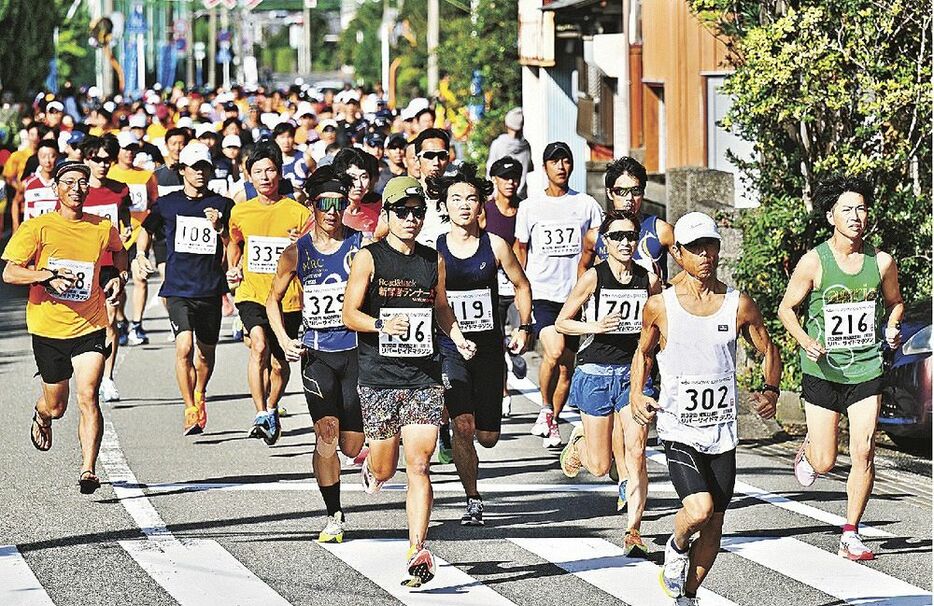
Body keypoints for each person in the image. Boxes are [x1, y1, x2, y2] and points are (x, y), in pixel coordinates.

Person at [629, 211, 781, 604]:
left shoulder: (737, 304)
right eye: (695, 248)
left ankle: (688, 595)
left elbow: (769, 349)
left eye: (710, 245)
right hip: (679, 428)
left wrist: (770, 389)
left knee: (715, 524)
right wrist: (636, 394)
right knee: (698, 510)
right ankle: (676, 544)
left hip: (722, 431)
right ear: (678, 253)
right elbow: (643, 354)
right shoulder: (660, 306)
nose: (705, 254)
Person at [342, 176, 476, 587]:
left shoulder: (431, 259)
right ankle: (374, 470)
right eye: (403, 212)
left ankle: (417, 547)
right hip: (379, 377)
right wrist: (384, 323)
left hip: (423, 377)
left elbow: (441, 308)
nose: (411, 219)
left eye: (418, 212)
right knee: (385, 467)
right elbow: (350, 315)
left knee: (419, 463)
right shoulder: (369, 258)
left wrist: (458, 338)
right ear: (388, 213)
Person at [777, 175, 903, 561]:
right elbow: (786, 310)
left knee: (864, 450)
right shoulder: (814, 261)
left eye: (861, 208)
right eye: (847, 209)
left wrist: (892, 325)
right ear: (831, 215)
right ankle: (809, 452)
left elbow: (896, 302)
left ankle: (850, 533)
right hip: (824, 372)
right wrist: (806, 340)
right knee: (826, 461)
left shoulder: (881, 262)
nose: (856, 216)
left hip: (866, 370)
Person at [1, 161, 128, 494]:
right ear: (56, 188)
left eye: (83, 182)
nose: (77, 187)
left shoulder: (102, 226)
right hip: (48, 328)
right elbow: (10, 273)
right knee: (57, 406)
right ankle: (41, 413)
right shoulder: (38, 228)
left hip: (90, 323)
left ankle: (88, 469)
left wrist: (118, 276)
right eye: (69, 181)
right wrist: (45, 275)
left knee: (89, 396)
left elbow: (119, 252)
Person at [429, 165, 532, 526]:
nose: (463, 205)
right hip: (449, 346)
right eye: (455, 198)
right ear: (444, 205)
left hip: (488, 348)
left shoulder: (495, 245)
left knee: (487, 436)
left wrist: (524, 327)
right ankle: (472, 497)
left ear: (480, 204)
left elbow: (521, 284)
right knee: (465, 425)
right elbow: (435, 300)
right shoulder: (435, 249)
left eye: (470, 198)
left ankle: (465, 436)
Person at [267, 167, 366, 544]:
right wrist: (284, 338)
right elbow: (272, 300)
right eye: (324, 204)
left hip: (357, 353)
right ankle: (334, 514)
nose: (331, 211)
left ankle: (362, 458)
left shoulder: (361, 245)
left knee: (351, 445)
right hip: (318, 353)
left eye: (338, 204)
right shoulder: (296, 252)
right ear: (313, 206)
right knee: (327, 434)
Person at [556, 210, 662, 556]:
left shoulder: (647, 279)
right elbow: (562, 323)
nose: (625, 242)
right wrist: (595, 327)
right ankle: (581, 443)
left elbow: (659, 325)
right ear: (605, 242)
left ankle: (633, 530)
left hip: (633, 375)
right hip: (595, 372)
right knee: (601, 466)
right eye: (617, 237)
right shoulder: (593, 277)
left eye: (630, 236)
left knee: (637, 453)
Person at [136, 143, 233, 435]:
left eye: (205, 167)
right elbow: (146, 228)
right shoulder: (168, 203)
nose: (200, 173)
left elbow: (234, 245)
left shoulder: (223, 204)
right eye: (195, 168)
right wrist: (141, 255)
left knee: (205, 354)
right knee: (184, 347)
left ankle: (200, 393)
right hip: (178, 288)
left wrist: (219, 228)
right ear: (183, 171)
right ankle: (190, 407)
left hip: (210, 288)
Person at [515, 141, 603, 448]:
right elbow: (521, 250)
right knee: (552, 351)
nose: (561, 166)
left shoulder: (587, 205)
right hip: (543, 294)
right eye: (555, 162)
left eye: (565, 160)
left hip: (575, 296)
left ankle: (552, 418)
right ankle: (544, 407)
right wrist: (520, 293)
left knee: (568, 366)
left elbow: (598, 247)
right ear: (545, 168)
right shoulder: (530, 207)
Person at [227, 142, 311, 444]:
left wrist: (299, 242)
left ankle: (272, 406)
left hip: (288, 298)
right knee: (258, 346)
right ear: (249, 176)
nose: (265, 177)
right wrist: (233, 267)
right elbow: (234, 242)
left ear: (280, 173)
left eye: (270, 170)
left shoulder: (298, 212)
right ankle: (260, 413)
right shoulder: (240, 211)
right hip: (252, 292)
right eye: (258, 171)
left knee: (278, 365)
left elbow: (313, 251)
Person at [80, 136, 133, 403]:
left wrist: (127, 233)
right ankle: (88, 373)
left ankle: (108, 379)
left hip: (110, 266)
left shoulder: (120, 190)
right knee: (86, 324)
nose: (102, 165)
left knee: (110, 321)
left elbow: (126, 224)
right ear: (87, 159)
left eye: (107, 160)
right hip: (82, 267)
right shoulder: (77, 191)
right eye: (97, 159)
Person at [481, 156, 528, 414]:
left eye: (514, 177)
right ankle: (503, 391)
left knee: (523, 329)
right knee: (494, 342)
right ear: (494, 180)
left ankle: (516, 353)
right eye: (504, 177)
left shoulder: (525, 209)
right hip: (493, 287)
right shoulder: (486, 211)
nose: (510, 182)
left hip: (519, 285)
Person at [580, 156, 675, 282]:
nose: (629, 198)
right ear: (609, 193)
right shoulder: (595, 236)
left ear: (643, 192)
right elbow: (583, 267)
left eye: (636, 191)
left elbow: (693, 265)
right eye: (621, 192)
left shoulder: (661, 230)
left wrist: (669, 292)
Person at [108, 131, 159, 347]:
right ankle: (121, 320)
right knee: (118, 283)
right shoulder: (108, 174)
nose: (130, 153)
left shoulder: (147, 175)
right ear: (117, 151)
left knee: (141, 278)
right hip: (115, 236)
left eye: (133, 149)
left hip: (140, 235)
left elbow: (154, 203)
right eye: (126, 149)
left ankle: (137, 323)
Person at [486, 108, 533, 198]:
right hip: (521, 196)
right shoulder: (526, 146)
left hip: (500, 197)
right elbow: (529, 168)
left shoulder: (498, 144)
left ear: (507, 124)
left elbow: (490, 171)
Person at [333, 148, 382, 236]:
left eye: (364, 177)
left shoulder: (373, 218)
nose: (359, 184)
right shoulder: (328, 215)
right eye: (353, 178)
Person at [17, 140, 59, 228]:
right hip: (32, 235)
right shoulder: (27, 183)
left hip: (56, 234)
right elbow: (16, 202)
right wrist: (15, 227)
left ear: (57, 156)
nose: (47, 161)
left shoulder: (63, 183)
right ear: (38, 157)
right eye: (43, 156)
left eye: (52, 156)